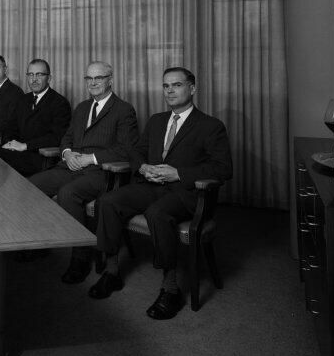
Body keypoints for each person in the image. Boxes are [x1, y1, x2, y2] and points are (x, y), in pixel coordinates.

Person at [93, 67, 232, 319]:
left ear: (192, 88)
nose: (170, 91)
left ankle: (170, 289)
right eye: (166, 86)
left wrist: (178, 173)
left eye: (177, 85)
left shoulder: (211, 126)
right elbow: (137, 151)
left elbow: (223, 168)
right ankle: (111, 272)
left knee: (157, 213)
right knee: (108, 201)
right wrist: (143, 167)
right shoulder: (157, 120)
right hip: (152, 185)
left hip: (186, 192)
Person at [29, 61, 139, 283]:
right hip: (71, 166)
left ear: (110, 80)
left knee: (68, 193)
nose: (93, 82)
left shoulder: (123, 110)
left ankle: (80, 257)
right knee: (30, 185)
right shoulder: (82, 107)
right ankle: (40, 245)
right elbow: (67, 138)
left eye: (99, 78)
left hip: (101, 172)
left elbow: (126, 149)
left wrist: (91, 158)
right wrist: (67, 153)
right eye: (89, 78)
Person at [0, 58, 71, 177]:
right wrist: (9, 143)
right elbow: (10, 127)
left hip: (41, 157)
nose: (34, 79)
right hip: (17, 153)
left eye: (39, 75)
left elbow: (56, 137)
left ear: (49, 78)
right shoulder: (22, 100)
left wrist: (25, 146)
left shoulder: (60, 103)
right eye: (31, 75)